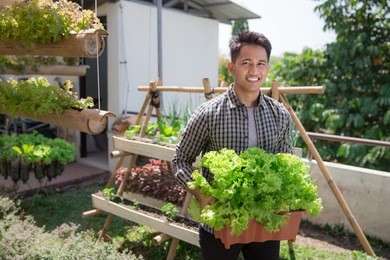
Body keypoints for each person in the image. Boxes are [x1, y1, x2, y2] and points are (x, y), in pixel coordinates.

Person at [172, 31, 293, 260]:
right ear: (231, 66)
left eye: (261, 64)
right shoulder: (208, 114)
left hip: (264, 223)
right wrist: (201, 194)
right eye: (246, 63)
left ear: (267, 68)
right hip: (220, 223)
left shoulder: (279, 114)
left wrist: (287, 198)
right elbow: (180, 161)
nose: (254, 71)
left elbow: (287, 166)